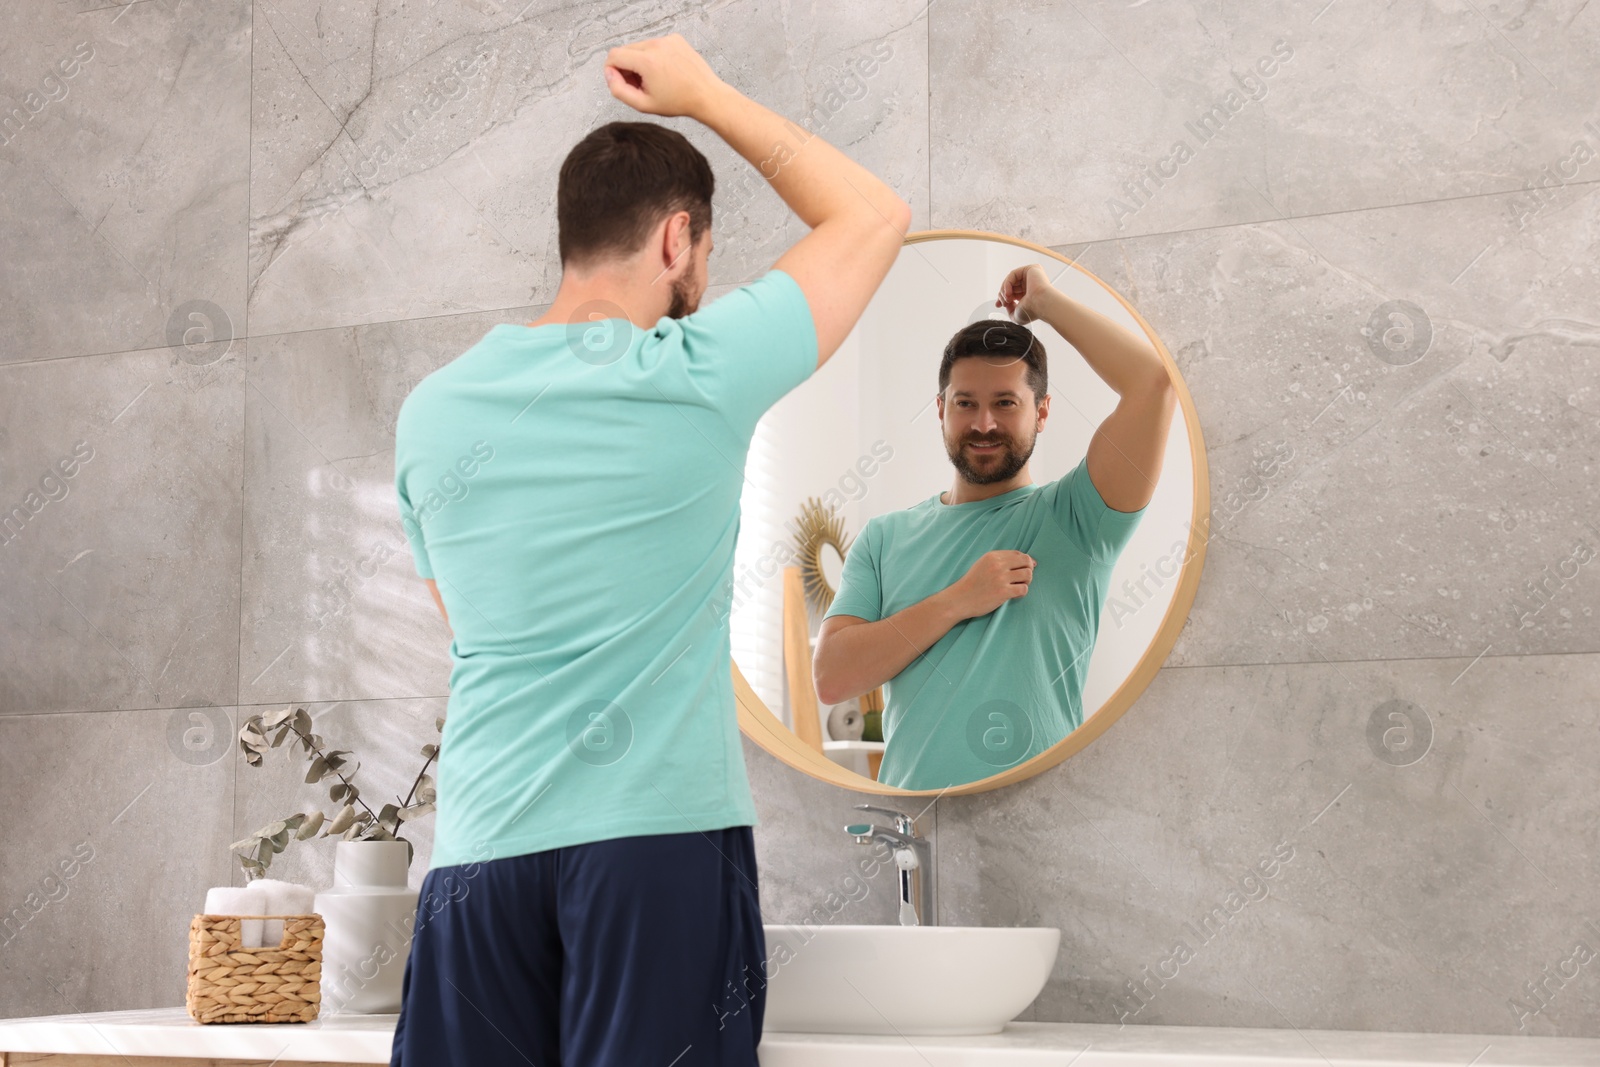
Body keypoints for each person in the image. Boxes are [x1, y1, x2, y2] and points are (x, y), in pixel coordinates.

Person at [386, 33, 911, 1067]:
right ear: (679, 239)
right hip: (651, 848)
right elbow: (871, 216)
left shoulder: (432, 413)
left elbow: (476, 629)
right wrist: (707, 94)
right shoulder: (695, 368)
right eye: (707, 255)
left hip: (478, 859)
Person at [812, 265, 1176, 789]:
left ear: (1042, 412)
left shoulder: (1079, 516)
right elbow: (833, 676)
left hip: (1044, 826)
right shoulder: (884, 537)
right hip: (914, 825)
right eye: (966, 404)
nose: (984, 423)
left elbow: (1153, 385)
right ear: (941, 410)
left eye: (1005, 403)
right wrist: (960, 598)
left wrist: (1046, 302)